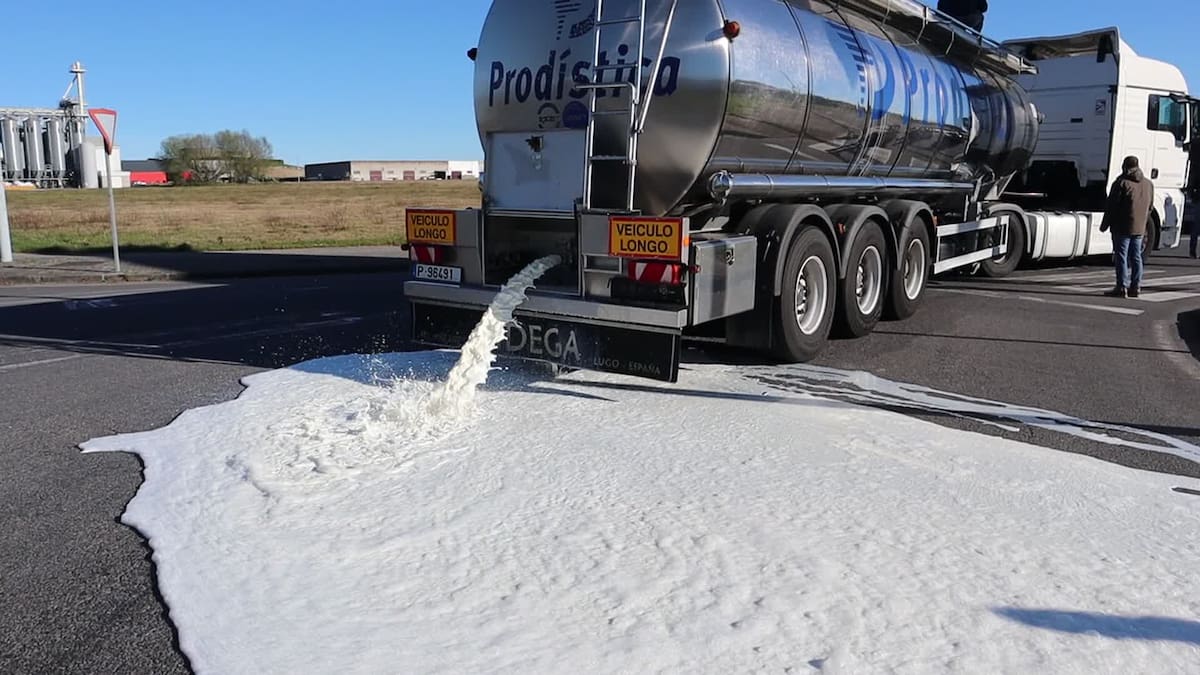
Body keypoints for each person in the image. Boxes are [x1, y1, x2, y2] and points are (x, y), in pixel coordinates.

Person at [1100, 155, 1154, 298]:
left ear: (1125, 167)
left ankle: (1121, 287)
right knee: (1136, 256)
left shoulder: (1121, 183)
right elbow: (1150, 207)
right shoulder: (1148, 184)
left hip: (1122, 226)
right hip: (1140, 227)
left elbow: (1112, 206)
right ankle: (1136, 286)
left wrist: (1104, 225)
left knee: (1121, 257)